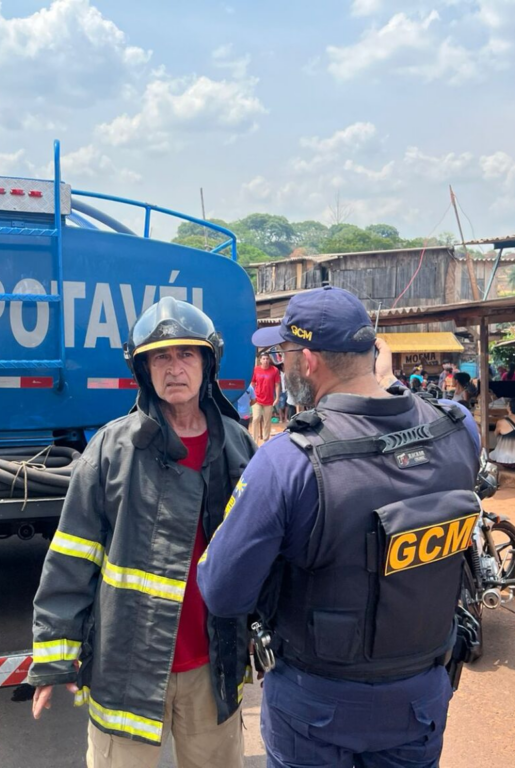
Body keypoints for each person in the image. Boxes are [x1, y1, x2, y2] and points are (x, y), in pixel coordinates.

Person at [197, 286, 481, 768]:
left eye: (282, 352)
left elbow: (222, 592)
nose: (281, 363)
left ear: (308, 361)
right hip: (421, 696)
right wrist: (389, 385)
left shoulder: (286, 461)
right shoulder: (457, 429)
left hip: (317, 703)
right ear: (372, 353)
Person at [29, 297, 255, 767]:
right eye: (161, 357)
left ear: (208, 362)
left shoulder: (238, 446)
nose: (174, 368)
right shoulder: (111, 449)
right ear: (144, 370)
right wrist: (54, 655)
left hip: (212, 666)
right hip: (126, 667)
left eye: (186, 354)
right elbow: (71, 556)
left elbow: (262, 554)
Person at [251, 351, 281, 444]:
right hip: (257, 399)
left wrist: (277, 397)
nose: (265, 360)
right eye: (264, 359)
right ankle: (254, 440)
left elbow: (277, 385)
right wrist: (251, 396)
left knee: (267, 421)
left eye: (267, 358)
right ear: (260, 360)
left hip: (269, 400)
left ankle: (266, 440)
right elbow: (252, 383)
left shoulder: (274, 370)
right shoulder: (256, 370)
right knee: (256, 418)